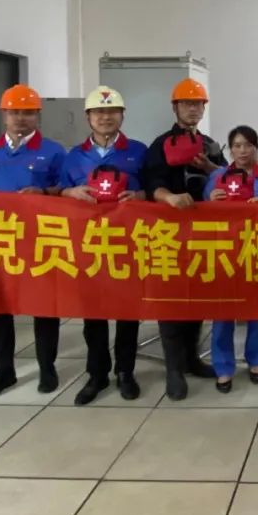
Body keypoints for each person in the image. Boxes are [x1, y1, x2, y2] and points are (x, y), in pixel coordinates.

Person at [0, 84, 66, 402]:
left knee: (45, 306)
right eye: (14, 112)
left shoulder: (54, 151)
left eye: (28, 112)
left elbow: (66, 188)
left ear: (38, 115)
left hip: (40, 241)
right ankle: (3, 370)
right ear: (3, 115)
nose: (20, 118)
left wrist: (44, 193)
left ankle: (47, 367)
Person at [59, 86, 147, 405]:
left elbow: (153, 189)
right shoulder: (73, 155)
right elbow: (57, 191)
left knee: (128, 311)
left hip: (127, 243)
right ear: (88, 117)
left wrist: (139, 195)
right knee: (92, 312)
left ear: (122, 115)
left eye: (112, 111)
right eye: (99, 112)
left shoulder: (138, 151)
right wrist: (70, 193)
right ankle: (97, 374)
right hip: (88, 245)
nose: (105, 117)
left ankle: (126, 371)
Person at [141, 77, 225, 401]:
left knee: (198, 299)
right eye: (187, 103)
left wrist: (211, 168)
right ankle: (174, 370)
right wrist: (169, 197)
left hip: (204, 236)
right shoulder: (160, 145)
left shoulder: (211, 145)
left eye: (198, 104)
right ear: (175, 108)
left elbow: (231, 180)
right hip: (169, 235)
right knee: (171, 301)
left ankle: (192, 359)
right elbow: (151, 183)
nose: (193, 109)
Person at [203, 125, 258, 393]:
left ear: (257, 147)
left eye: (248, 145)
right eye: (236, 145)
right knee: (223, 312)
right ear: (230, 150)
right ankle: (223, 366)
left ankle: (255, 360)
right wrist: (211, 200)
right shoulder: (217, 176)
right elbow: (201, 214)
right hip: (224, 251)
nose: (242, 150)